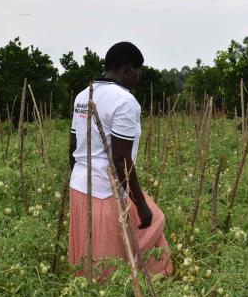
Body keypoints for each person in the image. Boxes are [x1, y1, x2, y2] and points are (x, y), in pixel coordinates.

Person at [68, 41, 173, 278]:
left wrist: (80, 181)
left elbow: (73, 147)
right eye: (139, 70)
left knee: (90, 260)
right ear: (127, 68)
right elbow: (121, 159)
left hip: (80, 189)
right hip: (106, 192)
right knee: (110, 266)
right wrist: (141, 205)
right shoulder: (124, 101)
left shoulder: (83, 95)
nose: (139, 77)